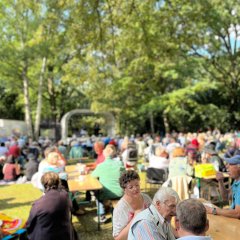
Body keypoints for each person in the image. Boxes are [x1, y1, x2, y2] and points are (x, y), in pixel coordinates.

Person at [26, 172, 74, 240]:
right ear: (58, 182)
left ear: (43, 184)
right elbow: (71, 208)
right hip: (66, 234)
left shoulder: (38, 204)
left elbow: (29, 224)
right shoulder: (65, 195)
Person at [112, 170, 152, 240]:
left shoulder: (146, 198)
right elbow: (118, 238)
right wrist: (135, 219)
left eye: (137, 185)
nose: (135, 189)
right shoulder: (120, 208)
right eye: (131, 187)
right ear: (124, 190)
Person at [91, 144, 125, 223]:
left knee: (96, 192)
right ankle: (113, 212)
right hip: (120, 193)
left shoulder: (100, 166)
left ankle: (102, 215)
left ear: (104, 154)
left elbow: (93, 176)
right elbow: (124, 175)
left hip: (105, 195)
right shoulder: (120, 164)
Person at [205, 155, 240, 219]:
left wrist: (213, 210)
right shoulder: (236, 181)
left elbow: (237, 213)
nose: (227, 167)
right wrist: (220, 181)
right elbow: (226, 197)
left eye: (230, 164)